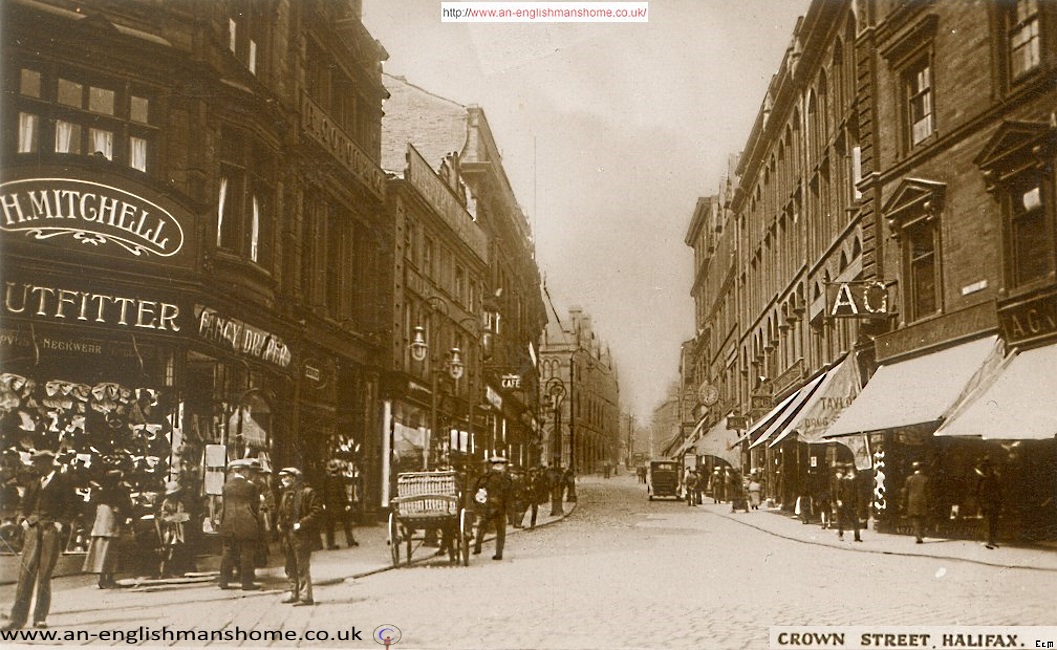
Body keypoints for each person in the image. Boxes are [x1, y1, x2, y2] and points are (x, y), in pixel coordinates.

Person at [3, 450, 77, 630]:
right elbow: (23, 506)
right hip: (32, 530)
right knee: (25, 574)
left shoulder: (63, 481)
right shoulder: (33, 482)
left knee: (44, 576)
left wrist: (61, 523)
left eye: (37, 462)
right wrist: (22, 520)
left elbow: (72, 506)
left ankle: (40, 618)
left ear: (47, 462)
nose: (34, 466)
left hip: (51, 530)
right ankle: (17, 619)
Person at [276, 467, 322, 606]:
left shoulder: (307, 492)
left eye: (287, 477)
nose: (284, 480)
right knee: (290, 565)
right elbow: (281, 512)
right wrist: (279, 523)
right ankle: (293, 592)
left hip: (302, 535)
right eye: (283, 477)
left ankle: (305, 596)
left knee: (302, 566)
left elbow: (317, 511)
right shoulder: (285, 493)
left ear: (295, 478)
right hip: (287, 535)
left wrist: (301, 524)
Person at [217, 458, 262, 591]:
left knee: (227, 552)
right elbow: (255, 506)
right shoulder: (250, 486)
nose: (249, 473)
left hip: (228, 523)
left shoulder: (226, 486)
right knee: (246, 553)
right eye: (248, 471)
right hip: (246, 523)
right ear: (243, 471)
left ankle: (224, 581)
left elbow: (223, 506)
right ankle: (247, 582)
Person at [83, 470, 132, 588]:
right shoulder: (116, 494)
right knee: (110, 554)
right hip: (110, 527)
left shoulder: (100, 495)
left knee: (102, 553)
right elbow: (121, 509)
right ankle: (108, 579)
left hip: (100, 527)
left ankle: (103, 579)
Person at [472, 456, 513, 560]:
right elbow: (510, 495)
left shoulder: (486, 477)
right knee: (501, 531)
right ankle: (499, 554)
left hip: (489, 506)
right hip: (501, 508)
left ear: (492, 466)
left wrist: (479, 504)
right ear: (503, 466)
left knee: (482, 527)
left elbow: (477, 490)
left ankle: (477, 547)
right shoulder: (507, 478)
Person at [156, 481, 192, 578]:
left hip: (178, 529)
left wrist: (181, 517)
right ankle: (165, 571)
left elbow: (183, 515)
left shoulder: (179, 503)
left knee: (176, 549)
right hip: (169, 529)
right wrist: (174, 517)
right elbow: (164, 517)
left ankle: (175, 569)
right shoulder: (166, 503)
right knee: (168, 550)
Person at [321, 460, 357, 549]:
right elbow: (342, 492)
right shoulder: (339, 478)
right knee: (346, 522)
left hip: (329, 505)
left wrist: (323, 503)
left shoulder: (326, 478)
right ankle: (350, 541)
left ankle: (330, 544)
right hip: (339, 505)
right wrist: (346, 504)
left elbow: (323, 492)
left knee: (330, 525)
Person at [974, 457, 1002, 549]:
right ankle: (989, 540)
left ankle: (991, 540)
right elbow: (982, 493)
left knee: (993, 522)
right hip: (989, 503)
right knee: (989, 522)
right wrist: (984, 504)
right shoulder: (985, 479)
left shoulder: (992, 478)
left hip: (993, 503)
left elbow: (997, 491)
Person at [902, 461, 929, 544]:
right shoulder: (925, 479)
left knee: (915, 519)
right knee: (922, 517)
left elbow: (905, 492)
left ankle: (918, 536)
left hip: (912, 501)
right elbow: (928, 492)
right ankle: (921, 533)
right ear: (921, 469)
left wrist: (903, 502)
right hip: (922, 501)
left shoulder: (909, 479)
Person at [836, 466, 862, 542]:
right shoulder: (843, 481)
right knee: (842, 519)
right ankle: (841, 534)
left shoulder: (855, 481)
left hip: (852, 503)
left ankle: (857, 537)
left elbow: (858, 493)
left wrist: (858, 504)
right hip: (844, 502)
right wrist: (839, 500)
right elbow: (839, 491)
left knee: (855, 520)